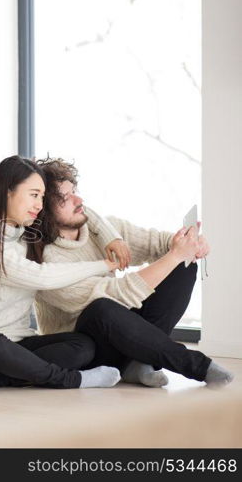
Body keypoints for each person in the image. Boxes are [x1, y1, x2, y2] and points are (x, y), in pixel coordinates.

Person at [33, 157, 234, 387]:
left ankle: (139, 362)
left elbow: (158, 243)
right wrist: (176, 254)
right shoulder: (46, 261)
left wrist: (189, 245)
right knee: (101, 308)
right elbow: (114, 295)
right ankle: (195, 364)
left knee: (182, 265)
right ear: (44, 210)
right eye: (64, 199)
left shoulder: (106, 230)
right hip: (88, 349)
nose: (79, 200)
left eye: (75, 191)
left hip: (124, 331)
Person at [0, 155, 125, 391]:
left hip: (17, 343)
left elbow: (80, 209)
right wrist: (104, 265)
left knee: (82, 345)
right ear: (8, 191)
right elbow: (42, 276)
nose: (39, 204)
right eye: (34, 195)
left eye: (42, 197)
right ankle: (74, 380)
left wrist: (114, 237)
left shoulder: (27, 234)